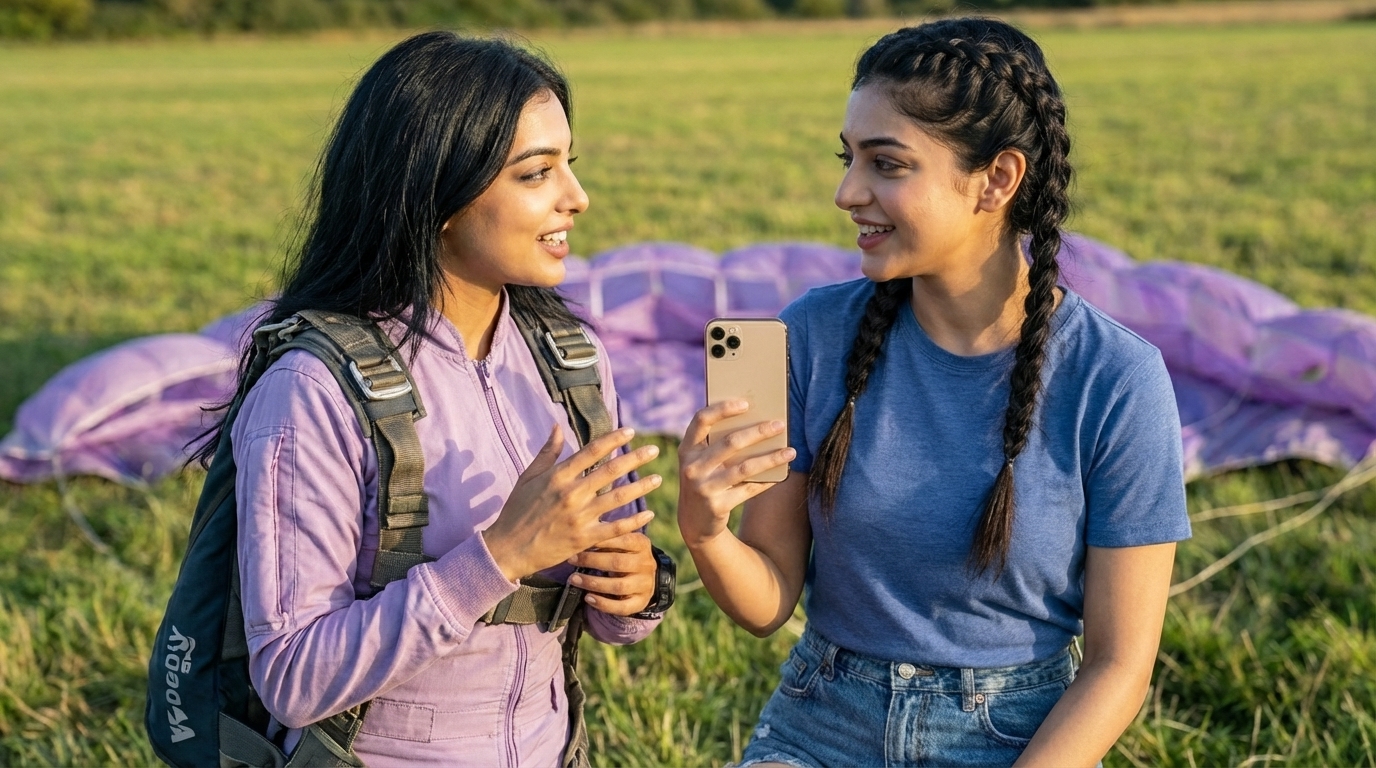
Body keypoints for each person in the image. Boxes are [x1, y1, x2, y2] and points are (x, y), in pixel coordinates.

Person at [676, 18, 1191, 768]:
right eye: (848, 158)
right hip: (821, 721)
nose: (847, 191)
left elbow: (1118, 665)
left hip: (1015, 737)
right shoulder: (813, 336)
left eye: (886, 164)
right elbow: (769, 601)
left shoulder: (1116, 380)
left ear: (998, 180)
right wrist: (706, 531)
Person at [208, 32, 669, 766]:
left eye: (569, 166)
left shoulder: (570, 361)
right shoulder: (310, 390)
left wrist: (635, 588)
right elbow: (292, 677)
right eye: (536, 173)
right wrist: (502, 554)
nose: (577, 199)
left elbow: (605, 617)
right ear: (439, 193)